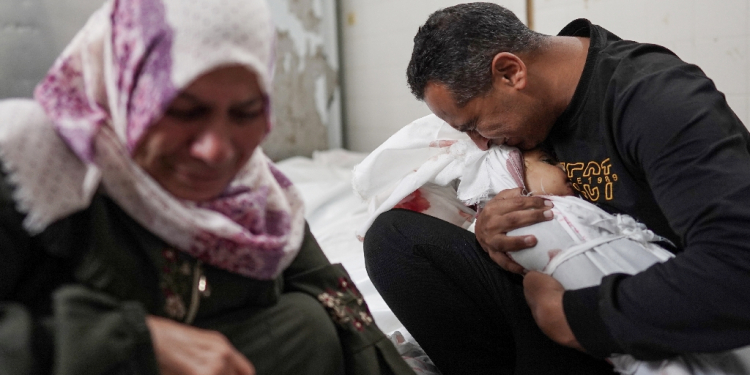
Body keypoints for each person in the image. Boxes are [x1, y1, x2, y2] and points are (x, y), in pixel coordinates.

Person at [0, 1, 415, 374]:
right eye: (182, 110)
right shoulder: (28, 162)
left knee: (308, 323)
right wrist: (130, 343)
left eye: (246, 112)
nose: (215, 151)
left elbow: (336, 304)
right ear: (125, 87)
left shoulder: (256, 192)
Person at [363, 2, 750, 375]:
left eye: (475, 125)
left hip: (650, 315)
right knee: (395, 240)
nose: (480, 144)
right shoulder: (538, 110)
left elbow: (737, 271)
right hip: (563, 298)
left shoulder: (656, 100)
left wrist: (573, 317)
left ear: (511, 72)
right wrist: (490, 231)